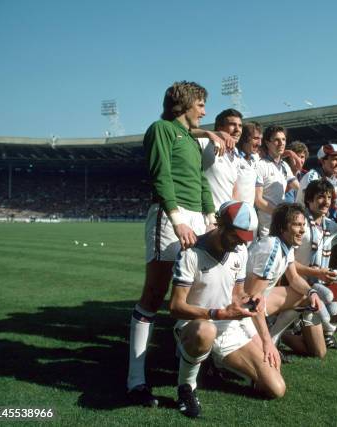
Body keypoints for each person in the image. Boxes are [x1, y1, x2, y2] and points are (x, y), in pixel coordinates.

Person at [127, 81, 233, 406]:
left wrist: (211, 217)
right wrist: (177, 218)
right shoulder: (160, 129)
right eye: (200, 104)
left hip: (199, 218)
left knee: (195, 291)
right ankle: (136, 381)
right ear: (185, 104)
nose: (204, 110)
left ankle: (189, 366)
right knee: (154, 296)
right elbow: (161, 175)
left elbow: (201, 180)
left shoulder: (190, 138)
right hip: (170, 217)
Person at [170, 201, 285, 418]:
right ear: (222, 224)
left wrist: (252, 301)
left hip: (227, 326)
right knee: (206, 331)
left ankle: (213, 362)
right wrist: (216, 314)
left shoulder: (239, 251)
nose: (239, 244)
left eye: (244, 239)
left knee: (276, 388)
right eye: (236, 237)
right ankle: (186, 388)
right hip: (194, 325)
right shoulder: (191, 252)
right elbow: (176, 307)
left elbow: (237, 294)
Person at [244, 203, 325, 363]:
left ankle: (275, 338)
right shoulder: (271, 248)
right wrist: (264, 341)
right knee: (273, 384)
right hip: (244, 309)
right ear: (282, 227)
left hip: (258, 301)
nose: (302, 230)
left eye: (303, 225)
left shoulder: (285, 245)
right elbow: (251, 300)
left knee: (307, 297)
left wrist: (312, 292)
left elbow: (294, 278)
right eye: (296, 225)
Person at [291, 179, 337, 350]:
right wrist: (315, 273)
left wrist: (333, 273)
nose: (326, 201)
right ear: (309, 200)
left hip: (320, 280)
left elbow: (336, 256)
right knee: (328, 305)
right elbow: (287, 262)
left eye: (329, 197)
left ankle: (325, 334)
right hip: (299, 281)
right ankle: (299, 324)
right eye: (321, 197)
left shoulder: (332, 226)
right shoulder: (300, 223)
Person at [254, 125, 299, 236]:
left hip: (284, 227)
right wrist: (280, 214)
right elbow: (258, 200)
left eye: (283, 139)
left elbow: (300, 187)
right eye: (276, 140)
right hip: (267, 230)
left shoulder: (284, 165)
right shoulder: (260, 165)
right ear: (268, 143)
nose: (281, 143)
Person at [199, 109, 243, 208]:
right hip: (205, 216)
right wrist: (212, 134)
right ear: (220, 128)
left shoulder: (235, 154)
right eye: (232, 124)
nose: (237, 129)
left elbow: (233, 189)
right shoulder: (206, 142)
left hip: (224, 218)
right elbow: (185, 133)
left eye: (240, 125)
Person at [296, 143, 337, 223]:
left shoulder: (334, 180)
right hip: (305, 223)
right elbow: (313, 208)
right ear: (322, 161)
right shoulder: (313, 176)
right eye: (334, 159)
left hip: (322, 223)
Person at [234, 121, 263, 206]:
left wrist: (290, 153)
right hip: (234, 213)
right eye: (256, 138)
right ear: (244, 138)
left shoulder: (256, 158)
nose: (260, 143)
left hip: (250, 213)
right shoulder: (233, 158)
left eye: (260, 139)